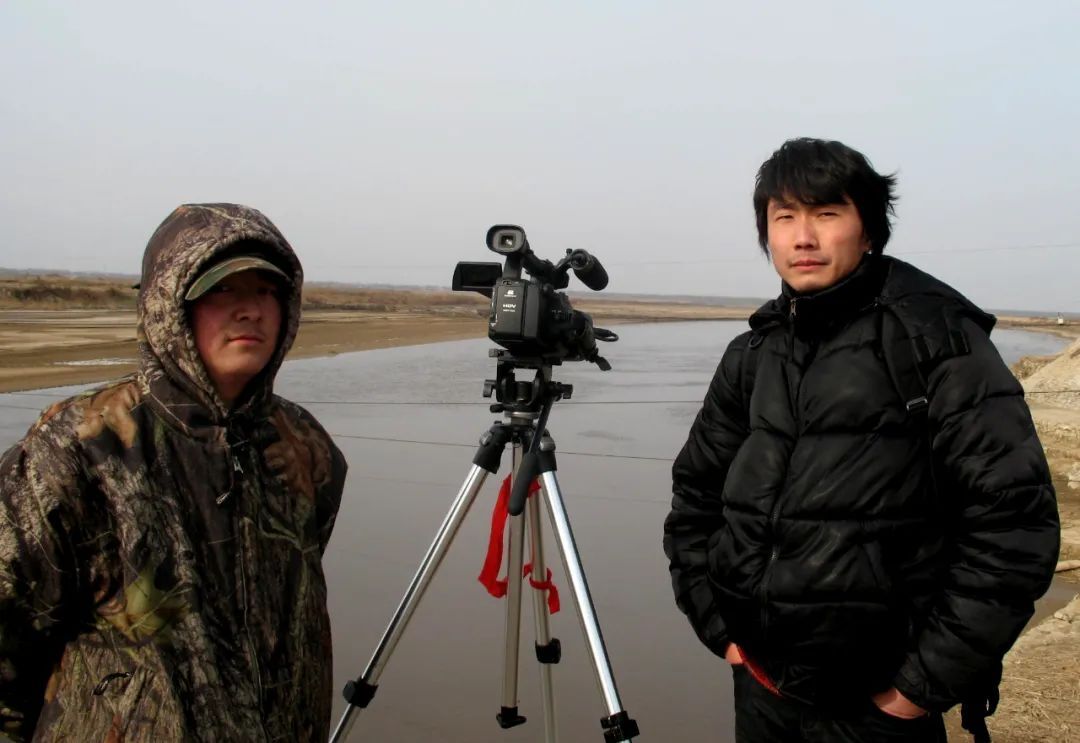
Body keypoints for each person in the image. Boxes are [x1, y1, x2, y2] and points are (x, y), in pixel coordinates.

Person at [663, 138, 1059, 742]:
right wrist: (722, 631)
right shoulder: (753, 353)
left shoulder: (936, 343)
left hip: (879, 708)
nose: (803, 238)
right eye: (784, 217)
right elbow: (695, 497)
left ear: (868, 229)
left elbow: (1014, 527)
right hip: (763, 689)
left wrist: (918, 689)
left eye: (826, 213)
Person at [0, 203, 347, 741]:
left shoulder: (304, 444)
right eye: (222, 290)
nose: (250, 310)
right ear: (170, 305)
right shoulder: (79, 444)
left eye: (265, 291)